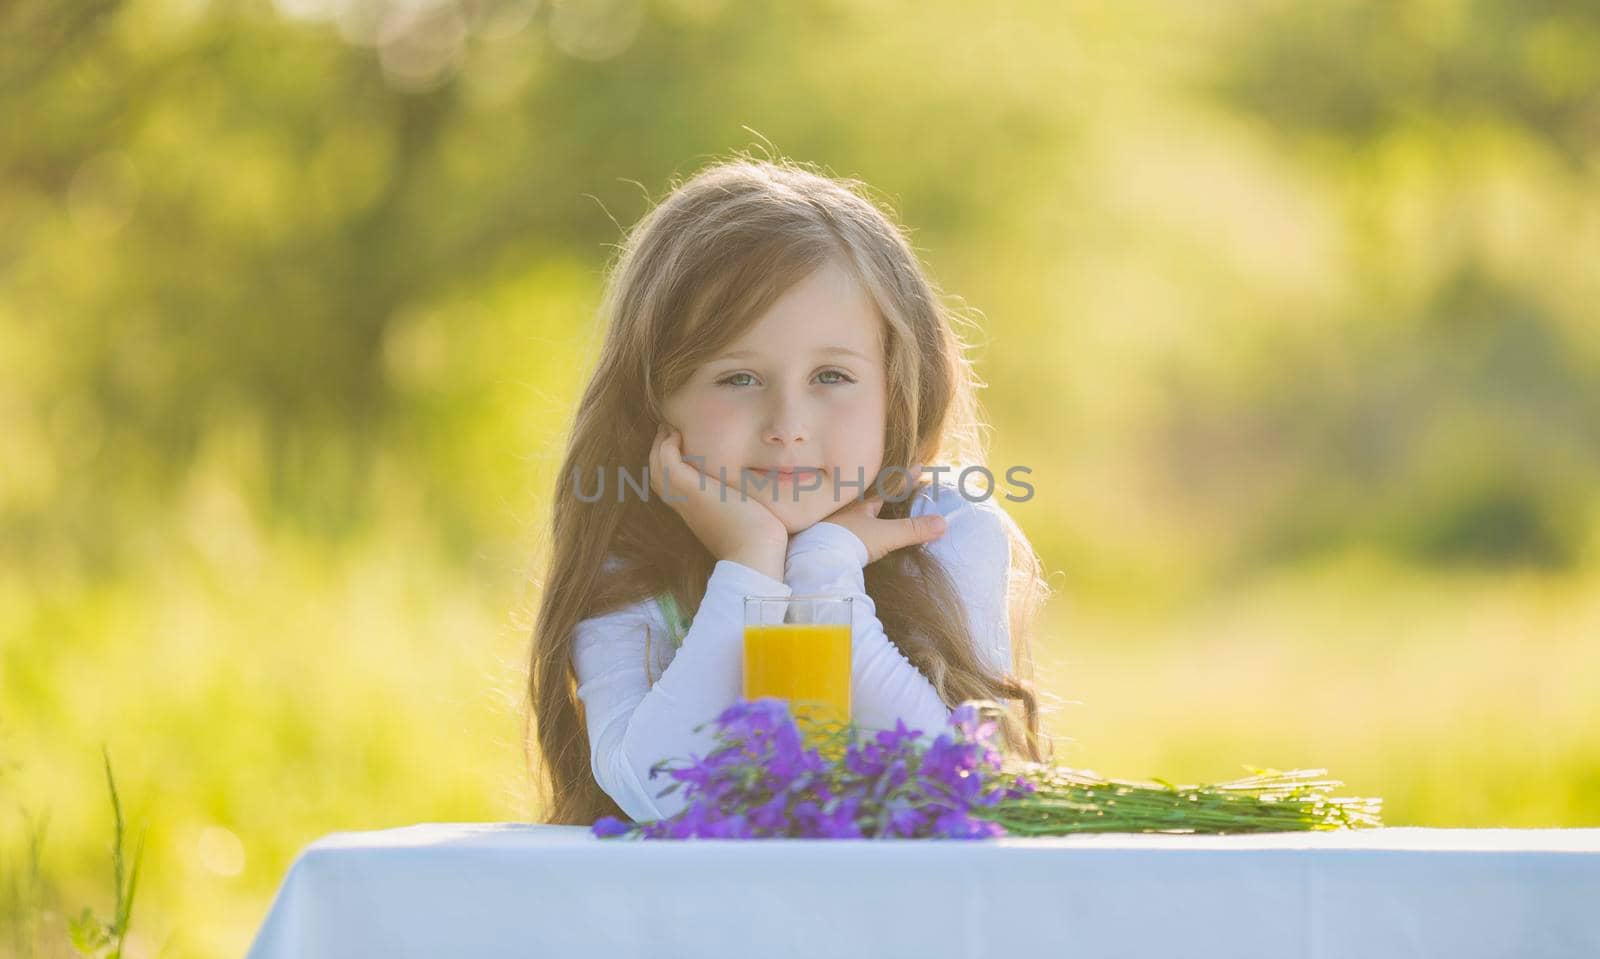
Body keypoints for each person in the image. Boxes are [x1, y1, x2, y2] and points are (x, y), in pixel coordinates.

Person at [527, 156, 1054, 826]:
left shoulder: (947, 526)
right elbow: (654, 791)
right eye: (739, 378)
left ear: (897, 388)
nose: (788, 427)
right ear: (656, 395)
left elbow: (946, 782)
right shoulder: (631, 559)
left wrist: (825, 572)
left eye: (831, 376)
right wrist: (751, 562)